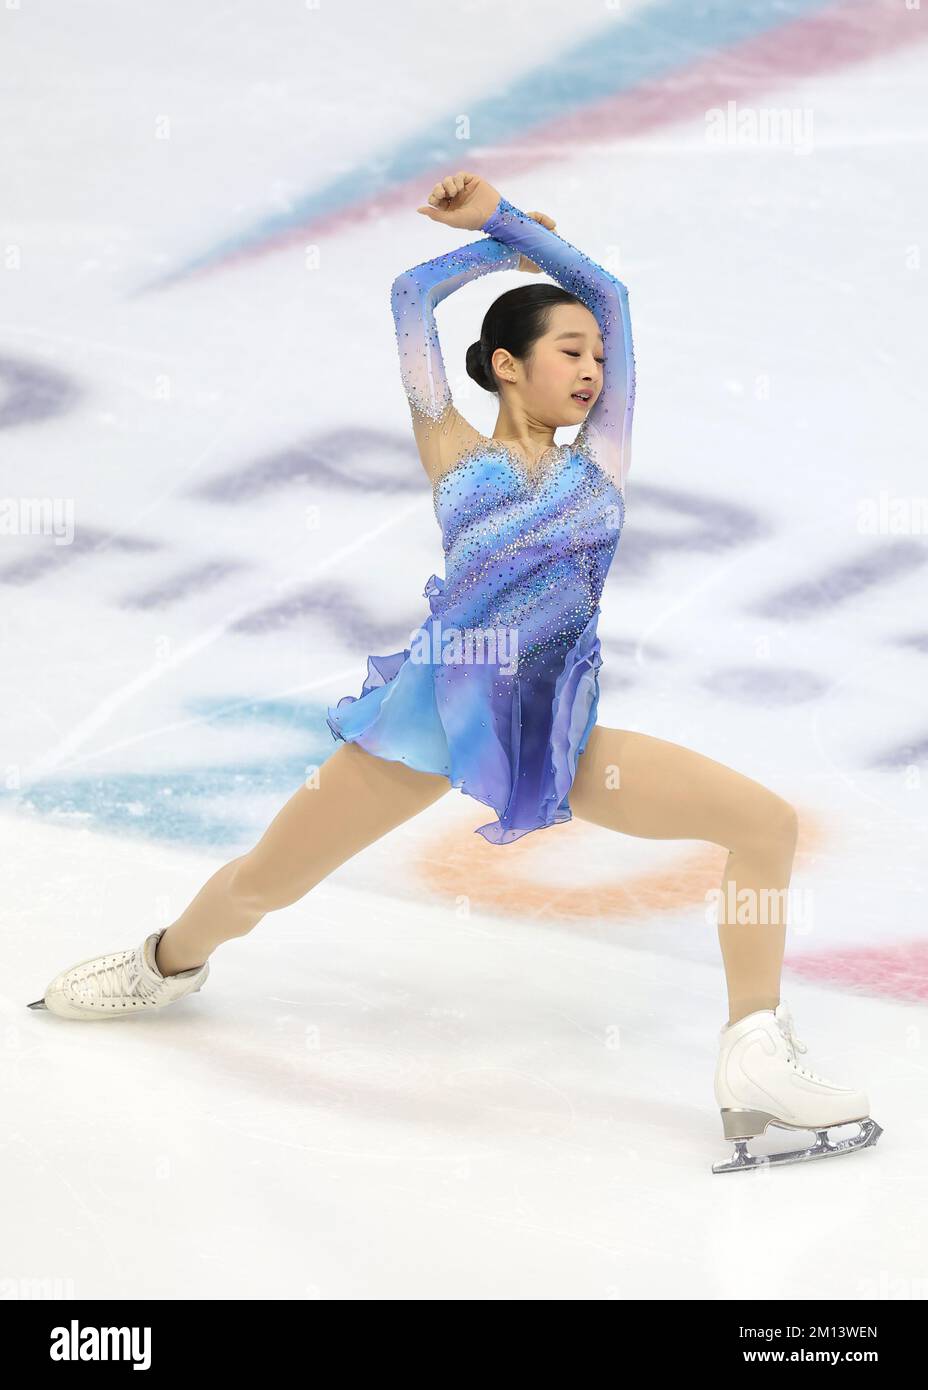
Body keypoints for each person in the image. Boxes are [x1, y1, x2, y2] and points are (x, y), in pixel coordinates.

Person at [29, 172, 880, 1171]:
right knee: (266, 881)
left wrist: (516, 222)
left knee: (763, 824)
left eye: (598, 359)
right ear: (508, 366)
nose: (593, 368)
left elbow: (614, 297)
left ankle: (753, 1050)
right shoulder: (450, 448)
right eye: (570, 352)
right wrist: (499, 252)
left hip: (551, 737)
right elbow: (407, 299)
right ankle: (163, 963)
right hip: (428, 721)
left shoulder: (600, 458)